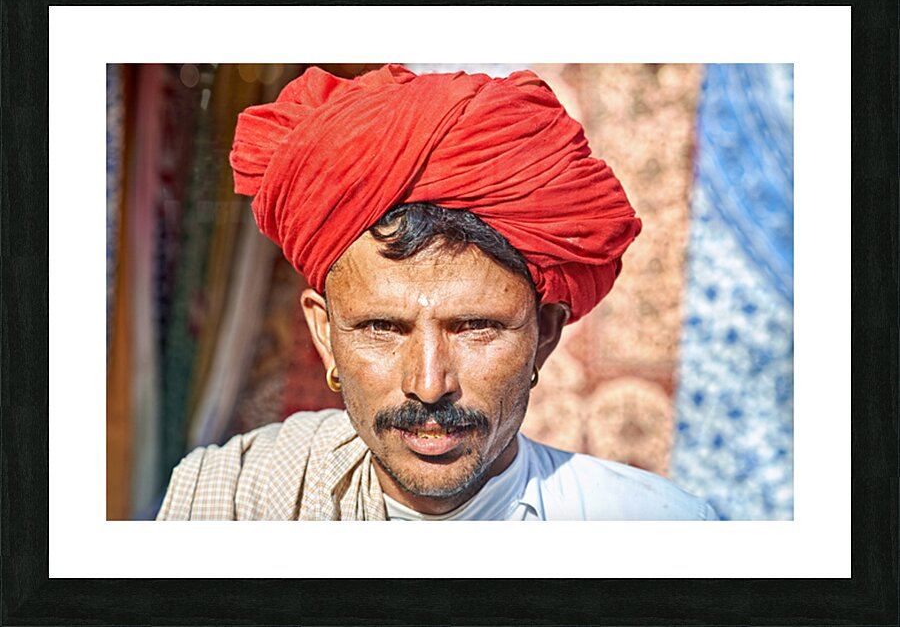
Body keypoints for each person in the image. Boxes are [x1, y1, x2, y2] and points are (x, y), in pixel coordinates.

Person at [156, 64, 717, 521]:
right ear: (325, 334)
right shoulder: (230, 500)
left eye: (475, 327)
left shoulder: (653, 528)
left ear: (543, 334)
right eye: (381, 328)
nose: (428, 385)